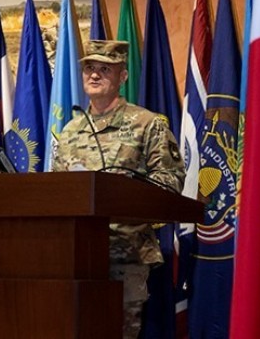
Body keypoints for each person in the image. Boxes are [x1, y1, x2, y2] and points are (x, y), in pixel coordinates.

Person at [52, 40, 186, 339]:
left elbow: (170, 183)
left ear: (123, 76)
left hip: (127, 256)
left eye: (104, 69)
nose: (94, 75)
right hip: (76, 259)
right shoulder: (71, 131)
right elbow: (56, 191)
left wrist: (119, 190)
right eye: (89, 67)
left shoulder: (147, 124)